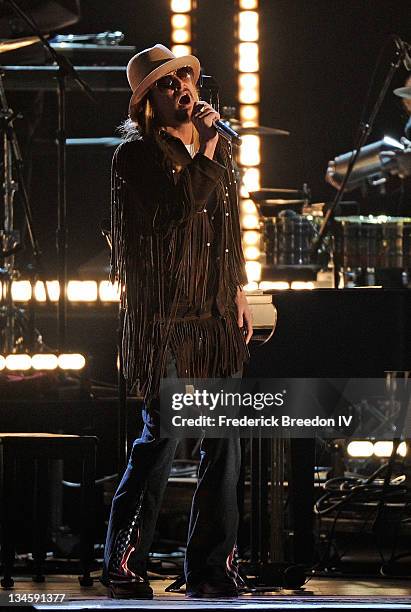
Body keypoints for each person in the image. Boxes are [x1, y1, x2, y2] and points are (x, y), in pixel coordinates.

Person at [101, 44, 253, 599]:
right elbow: (173, 212)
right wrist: (208, 153)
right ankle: (123, 561)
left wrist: (237, 290)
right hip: (164, 316)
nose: (182, 90)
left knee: (224, 439)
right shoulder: (135, 157)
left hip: (212, 313)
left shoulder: (216, 154)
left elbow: (228, 230)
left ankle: (212, 566)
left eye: (184, 79)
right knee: (160, 438)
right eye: (167, 85)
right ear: (148, 103)